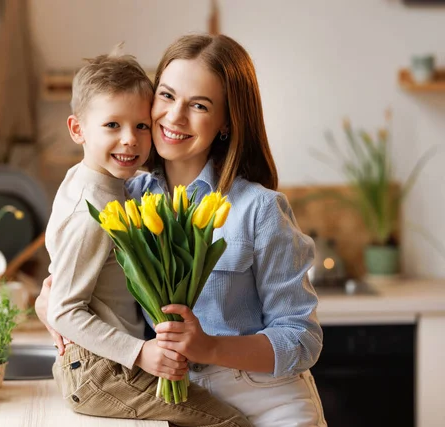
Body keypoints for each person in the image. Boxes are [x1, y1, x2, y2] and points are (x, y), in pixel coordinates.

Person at [37, 34, 326, 427]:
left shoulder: (258, 209)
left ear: (225, 122)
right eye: (168, 96)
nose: (174, 117)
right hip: (175, 405)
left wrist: (208, 347)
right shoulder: (127, 199)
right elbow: (82, 286)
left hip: (268, 402)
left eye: (200, 105)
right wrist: (49, 302)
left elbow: (302, 340)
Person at [44, 48, 252, 427]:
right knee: (230, 422)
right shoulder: (93, 209)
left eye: (141, 126)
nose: (130, 140)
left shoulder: (107, 185)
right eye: (112, 125)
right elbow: (63, 308)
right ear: (78, 130)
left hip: (105, 365)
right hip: (103, 370)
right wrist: (141, 352)